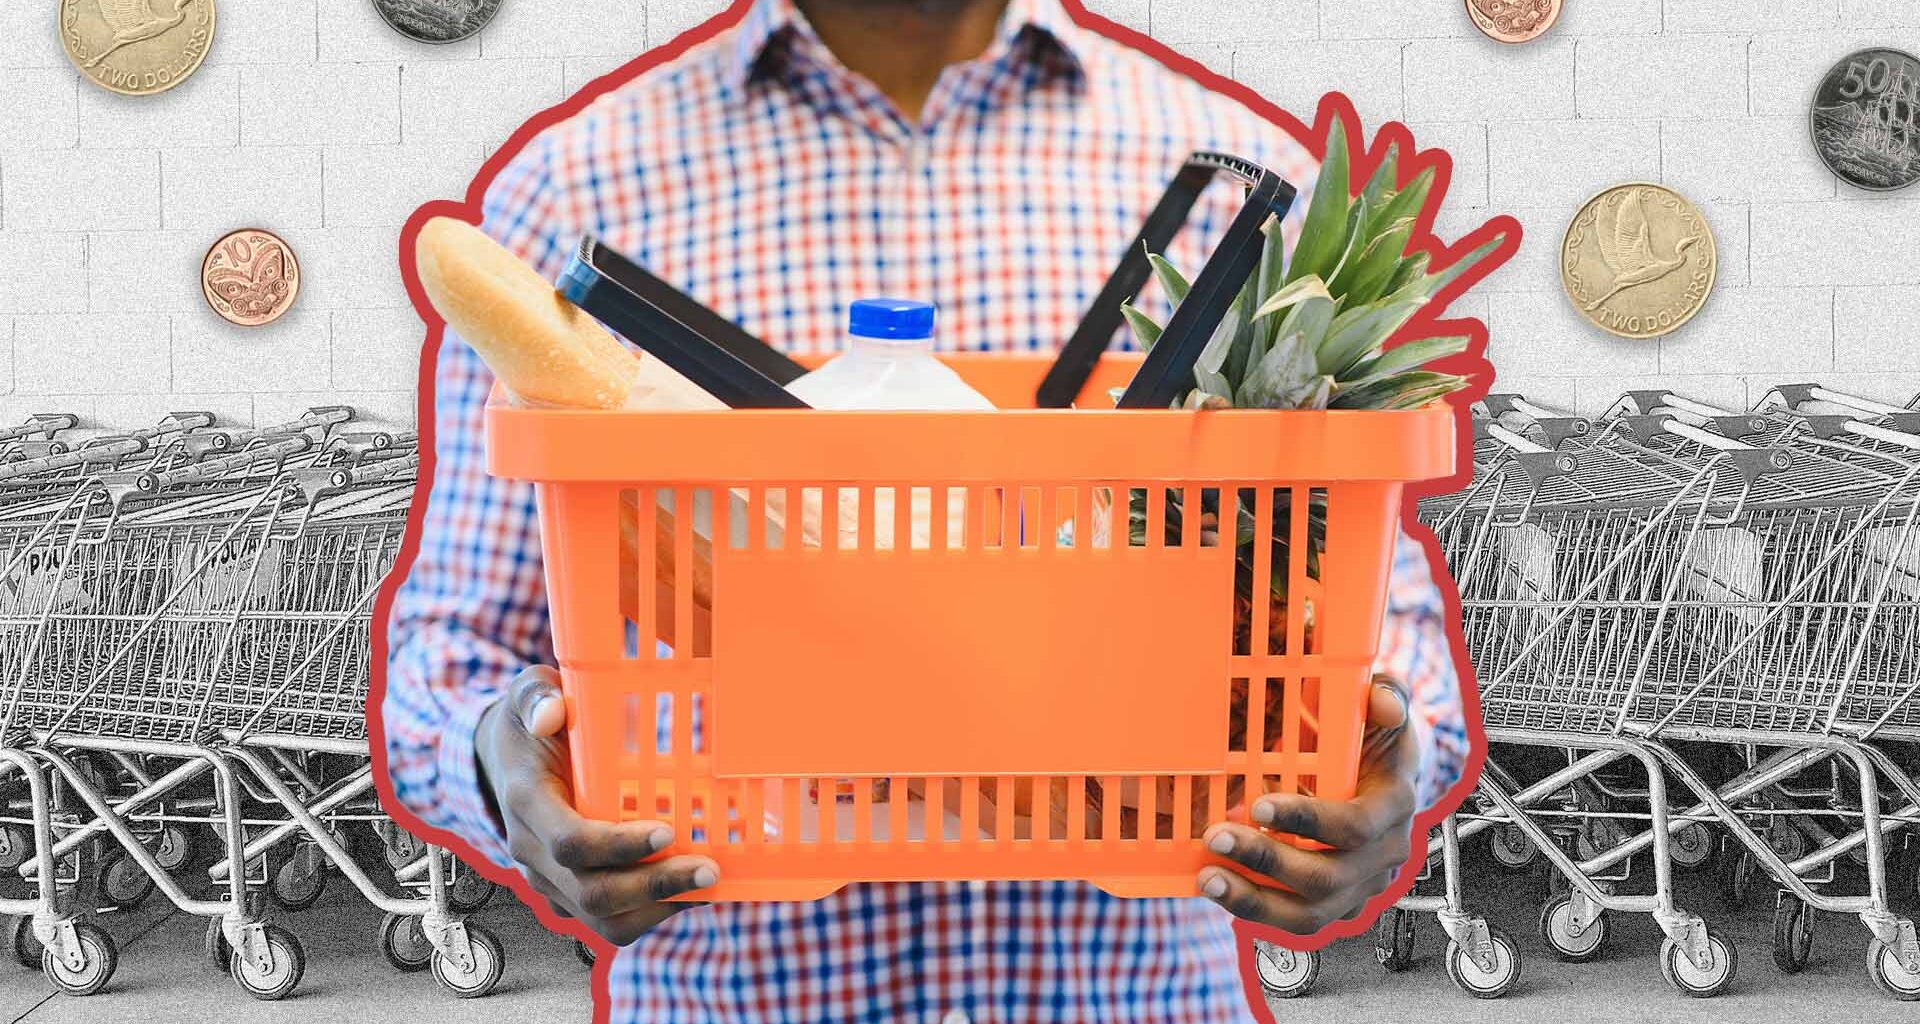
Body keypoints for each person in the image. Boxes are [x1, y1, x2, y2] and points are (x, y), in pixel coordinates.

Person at [380, 0, 1471, 1020]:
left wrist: (1382, 760)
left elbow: (1384, 619)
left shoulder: (1231, 188)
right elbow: (456, 645)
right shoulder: (571, 190)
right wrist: (502, 759)